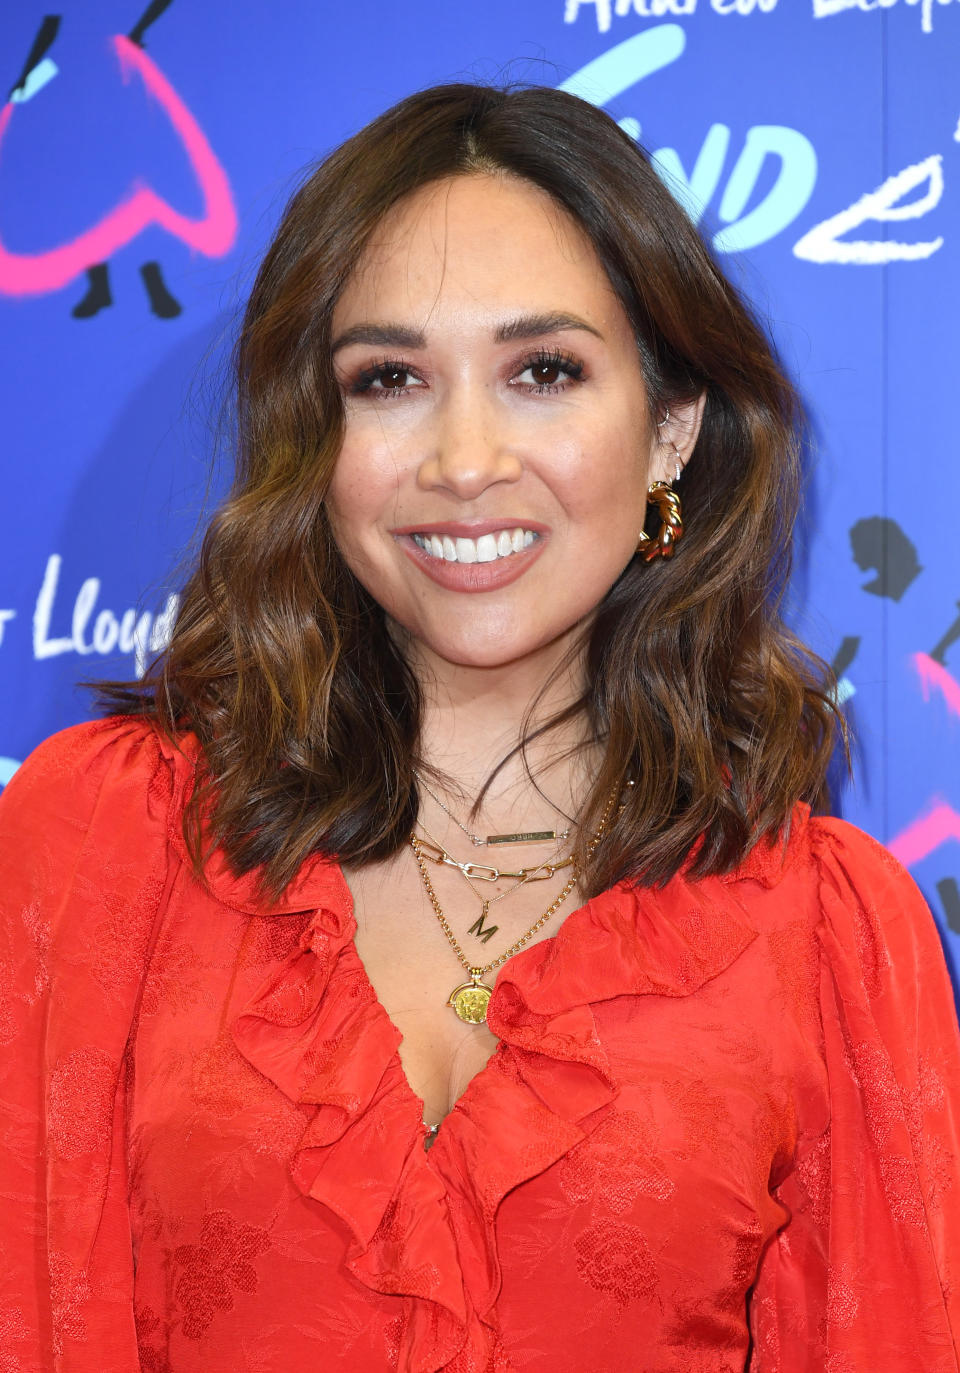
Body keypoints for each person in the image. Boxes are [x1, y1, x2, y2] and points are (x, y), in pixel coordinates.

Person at [1, 81, 958, 1373]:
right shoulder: (97, 844)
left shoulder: (831, 934)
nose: (463, 458)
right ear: (314, 437)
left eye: (542, 370)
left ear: (672, 429)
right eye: (389, 378)